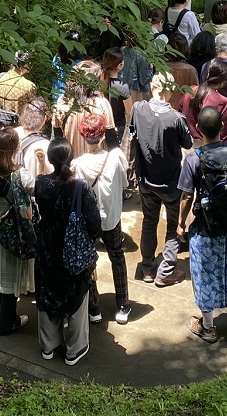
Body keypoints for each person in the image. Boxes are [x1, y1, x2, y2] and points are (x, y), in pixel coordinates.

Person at [177, 106, 227, 344]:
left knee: (204, 275)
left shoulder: (193, 160)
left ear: (198, 130)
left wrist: (180, 224)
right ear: (222, 126)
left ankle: (208, 327)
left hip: (206, 228)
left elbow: (187, 196)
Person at [34, 138, 100, 365]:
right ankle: (74, 348)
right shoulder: (81, 187)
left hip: (47, 247)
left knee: (48, 292)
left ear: (51, 159)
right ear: (71, 158)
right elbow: (94, 224)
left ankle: (48, 345)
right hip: (73, 250)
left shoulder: (41, 184)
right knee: (76, 294)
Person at [131, 72, 193, 286]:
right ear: (171, 89)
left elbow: (132, 133)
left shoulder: (138, 109)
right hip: (172, 182)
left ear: (151, 86)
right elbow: (187, 144)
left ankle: (148, 268)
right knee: (173, 225)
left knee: (149, 221)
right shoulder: (176, 118)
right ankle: (165, 271)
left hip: (146, 179)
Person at [72, 111, 131, 325]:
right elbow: (125, 184)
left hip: (89, 222)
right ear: (103, 135)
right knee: (117, 258)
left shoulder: (78, 164)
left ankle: (94, 308)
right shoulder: (116, 157)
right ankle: (123, 305)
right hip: (112, 218)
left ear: (83, 137)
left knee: (88, 263)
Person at [0, 127, 32, 334]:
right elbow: (37, 188)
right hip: (11, 229)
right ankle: (7, 323)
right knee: (9, 274)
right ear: (13, 149)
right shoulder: (19, 175)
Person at [54, 60, 113, 159]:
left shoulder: (62, 102)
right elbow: (111, 138)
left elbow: (58, 139)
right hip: (98, 166)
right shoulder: (101, 103)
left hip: (71, 164)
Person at [179, 57, 227, 143]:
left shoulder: (190, 91)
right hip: (210, 147)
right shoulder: (222, 101)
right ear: (223, 83)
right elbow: (224, 133)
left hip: (188, 144)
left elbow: (180, 114)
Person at [17, 97, 52, 177]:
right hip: (35, 188)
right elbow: (51, 174)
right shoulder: (46, 145)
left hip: (15, 187)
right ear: (44, 119)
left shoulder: (12, 134)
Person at [0, 51, 37, 116]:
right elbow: (32, 112)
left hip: (0, 121)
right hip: (19, 124)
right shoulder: (29, 86)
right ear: (25, 65)